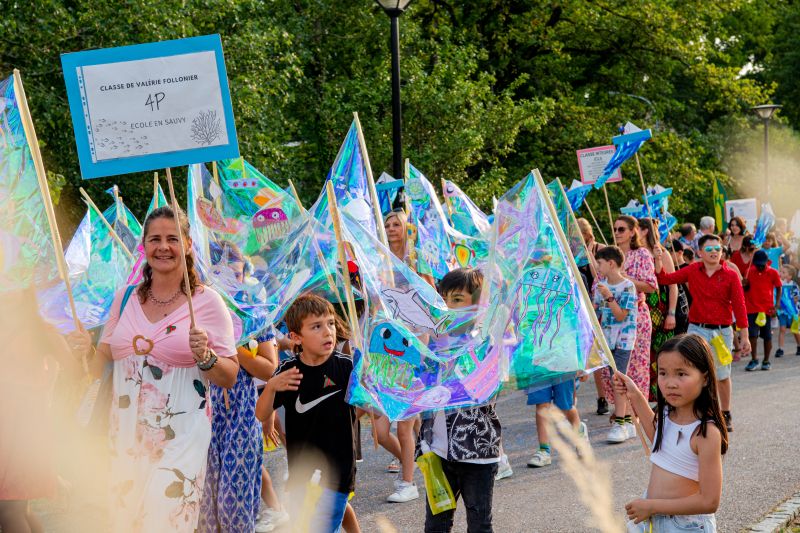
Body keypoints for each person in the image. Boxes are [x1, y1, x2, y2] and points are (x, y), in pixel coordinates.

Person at [73, 206, 239, 531]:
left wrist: (205, 356)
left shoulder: (207, 303)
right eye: (155, 239)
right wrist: (82, 350)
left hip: (180, 439)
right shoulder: (124, 299)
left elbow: (229, 375)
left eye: (173, 239)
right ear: (144, 246)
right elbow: (96, 368)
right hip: (123, 440)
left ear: (188, 244)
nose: (163, 246)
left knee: (164, 520)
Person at [198, 241, 285, 533]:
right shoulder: (194, 311)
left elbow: (270, 368)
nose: (229, 279)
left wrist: (235, 349)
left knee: (232, 508)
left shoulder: (254, 313)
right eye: (220, 271)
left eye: (235, 272)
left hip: (241, 416)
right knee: (206, 512)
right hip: (202, 417)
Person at [255, 293, 357, 532]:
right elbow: (260, 414)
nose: (328, 331)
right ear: (296, 337)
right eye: (317, 326)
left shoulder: (346, 367)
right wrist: (271, 387)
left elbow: (366, 406)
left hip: (337, 471)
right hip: (302, 472)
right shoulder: (288, 370)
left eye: (331, 323)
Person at [417, 268, 502, 532]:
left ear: (477, 304)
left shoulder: (485, 344)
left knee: (479, 524)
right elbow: (420, 387)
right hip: (437, 451)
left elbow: (486, 390)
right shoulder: (433, 345)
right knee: (436, 526)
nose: (447, 307)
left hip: (477, 453)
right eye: (443, 300)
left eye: (456, 300)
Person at [614, 334, 726, 533]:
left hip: (685, 526)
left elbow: (709, 501)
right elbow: (658, 436)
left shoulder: (706, 433)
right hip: (653, 519)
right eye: (663, 373)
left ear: (705, 378)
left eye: (681, 374)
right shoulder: (667, 414)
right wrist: (634, 393)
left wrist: (652, 506)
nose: (670, 383)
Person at [652, 233, 749, 432]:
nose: (714, 253)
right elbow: (664, 278)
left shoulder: (730, 274)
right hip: (696, 329)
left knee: (722, 375)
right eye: (709, 249)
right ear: (699, 252)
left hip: (721, 333)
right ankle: (697, 411)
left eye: (718, 249)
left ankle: (726, 412)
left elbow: (739, 306)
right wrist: (658, 258)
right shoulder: (692, 270)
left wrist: (744, 335)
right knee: (694, 371)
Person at [377, 210, 426, 502]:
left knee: (405, 423)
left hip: (412, 344)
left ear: (406, 228)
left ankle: (407, 482)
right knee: (382, 430)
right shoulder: (379, 261)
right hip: (385, 345)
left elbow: (432, 300)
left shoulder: (417, 259)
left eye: (397, 224)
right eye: (387, 224)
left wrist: (423, 346)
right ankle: (414, 460)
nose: (392, 228)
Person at [598, 216, 657, 415]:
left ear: (633, 231)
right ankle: (621, 411)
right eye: (614, 228)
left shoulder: (641, 254)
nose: (617, 232)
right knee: (614, 369)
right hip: (609, 319)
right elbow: (597, 284)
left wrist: (622, 280)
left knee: (635, 368)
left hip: (635, 317)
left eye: (621, 229)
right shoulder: (609, 254)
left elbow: (651, 286)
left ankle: (635, 414)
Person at [592, 246, 638, 443]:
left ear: (611, 263)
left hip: (623, 340)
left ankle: (620, 422)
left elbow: (620, 315)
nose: (597, 267)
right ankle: (627, 421)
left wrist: (609, 297)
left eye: (600, 263)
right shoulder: (600, 286)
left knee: (617, 380)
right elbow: (597, 314)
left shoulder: (628, 286)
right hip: (607, 340)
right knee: (614, 378)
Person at [577, 217, 609, 416]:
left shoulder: (601, 250)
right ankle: (602, 397)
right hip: (586, 310)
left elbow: (602, 277)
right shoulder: (572, 253)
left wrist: (590, 256)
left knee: (611, 353)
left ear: (587, 235)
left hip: (604, 307)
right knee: (596, 354)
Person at [743, 250, 782, 371]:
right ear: (754, 262)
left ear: (766, 262)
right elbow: (745, 289)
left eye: (762, 264)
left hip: (767, 309)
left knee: (767, 336)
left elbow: (779, 288)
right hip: (751, 308)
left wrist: (777, 304)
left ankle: (766, 360)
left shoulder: (773, 272)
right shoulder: (749, 271)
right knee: (752, 335)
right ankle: (754, 360)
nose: (760, 266)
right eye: (757, 264)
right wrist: (744, 284)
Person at [775, 265, 800, 357]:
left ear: (789, 276)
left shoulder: (793, 285)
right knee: (782, 329)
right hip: (782, 311)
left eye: (783, 272)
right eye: (780, 271)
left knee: (795, 330)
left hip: (793, 312)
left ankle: (799, 345)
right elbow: (775, 295)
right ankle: (780, 349)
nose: (780, 273)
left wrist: (795, 299)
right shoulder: (778, 284)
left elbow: (797, 296)